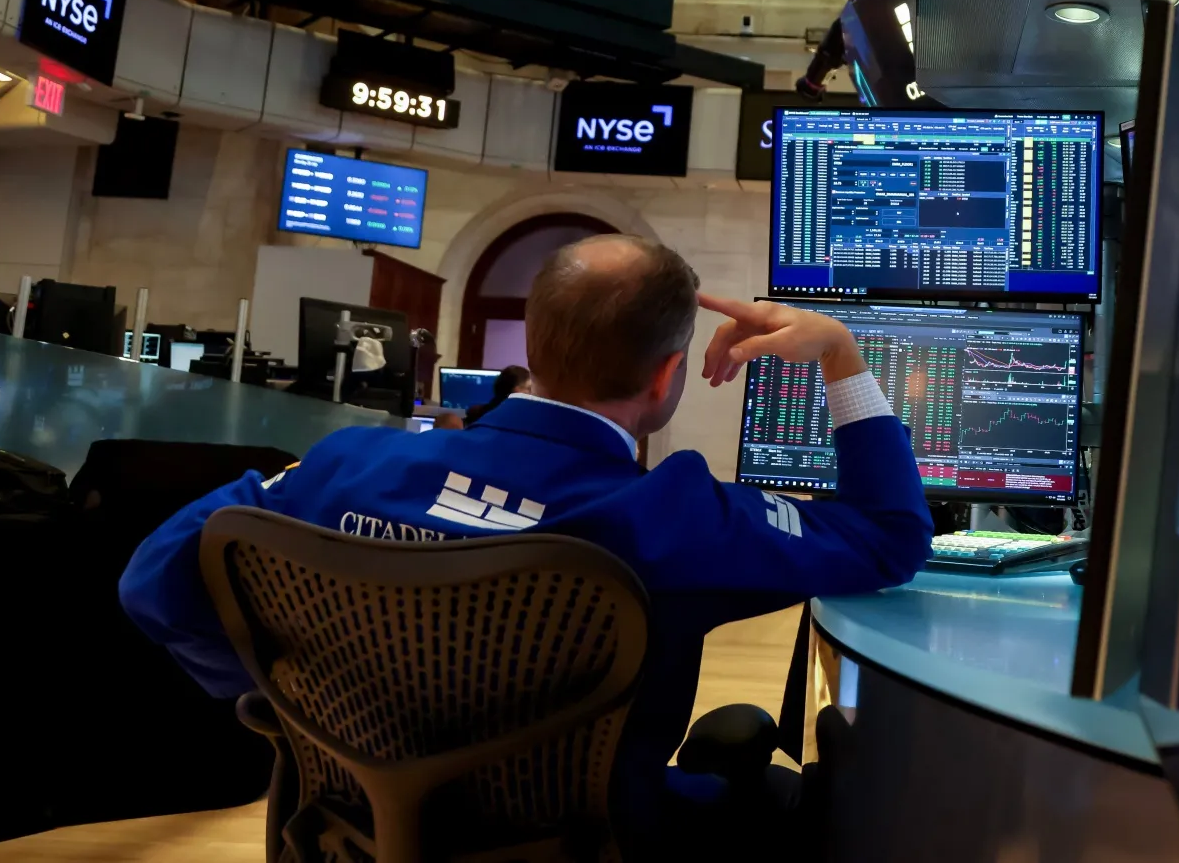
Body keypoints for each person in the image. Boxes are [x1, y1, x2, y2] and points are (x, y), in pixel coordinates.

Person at [118, 234, 933, 852]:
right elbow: (890, 537)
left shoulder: (347, 466)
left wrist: (290, 709)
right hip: (595, 842)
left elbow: (153, 580)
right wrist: (839, 355)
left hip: (353, 823)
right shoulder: (677, 516)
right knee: (793, 799)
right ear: (665, 377)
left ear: (531, 347)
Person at [463, 362, 530, 425]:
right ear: (516, 391)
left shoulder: (478, 414)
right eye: (529, 388)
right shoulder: (517, 421)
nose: (532, 393)